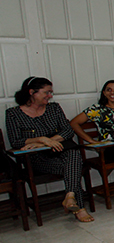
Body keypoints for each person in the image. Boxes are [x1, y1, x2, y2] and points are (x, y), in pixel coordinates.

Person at [5, 77, 92, 222]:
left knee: (73, 155)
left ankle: (70, 197)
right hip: (37, 159)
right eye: (47, 92)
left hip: (60, 152)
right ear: (32, 92)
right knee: (73, 167)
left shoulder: (54, 108)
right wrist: (41, 140)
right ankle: (78, 207)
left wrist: (48, 142)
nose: (50, 96)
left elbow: (68, 131)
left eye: (51, 92)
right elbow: (15, 140)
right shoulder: (13, 113)